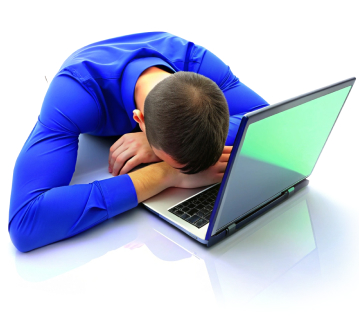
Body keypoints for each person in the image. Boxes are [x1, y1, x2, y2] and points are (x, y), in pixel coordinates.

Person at [8, 32, 269, 252]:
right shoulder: (74, 94)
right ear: (139, 120)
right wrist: (165, 174)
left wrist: (158, 146)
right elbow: (26, 221)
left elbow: (264, 120)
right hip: (87, 80)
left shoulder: (197, 61)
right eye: (176, 163)